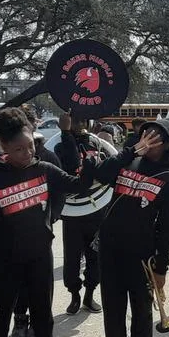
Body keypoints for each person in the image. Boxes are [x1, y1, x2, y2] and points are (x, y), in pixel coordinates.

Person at [0, 108, 93, 337]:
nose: (27, 152)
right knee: (1, 320)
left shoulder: (44, 169)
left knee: (43, 318)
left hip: (39, 257)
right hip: (5, 261)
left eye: (30, 146)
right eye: (19, 149)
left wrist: (82, 154)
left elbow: (78, 184)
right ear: (3, 148)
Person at [93, 120, 169, 337]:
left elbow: (167, 229)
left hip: (142, 258)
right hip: (109, 250)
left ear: (168, 145)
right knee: (113, 308)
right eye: (146, 134)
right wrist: (132, 151)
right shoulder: (125, 163)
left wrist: (162, 268)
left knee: (141, 310)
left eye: (157, 137)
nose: (150, 140)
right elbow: (101, 174)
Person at [54, 118, 117, 316]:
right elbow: (70, 167)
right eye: (74, 121)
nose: (79, 124)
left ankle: (90, 294)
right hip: (73, 212)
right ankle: (74, 294)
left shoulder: (98, 144)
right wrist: (66, 134)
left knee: (95, 256)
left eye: (82, 120)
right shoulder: (59, 146)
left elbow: (111, 170)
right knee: (72, 259)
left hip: (97, 210)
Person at [9, 128, 61, 337]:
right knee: (19, 283)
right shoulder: (4, 169)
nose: (27, 152)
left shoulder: (47, 161)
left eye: (31, 146)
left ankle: (40, 321)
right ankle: (20, 319)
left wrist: (52, 216)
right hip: (13, 241)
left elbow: (61, 190)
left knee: (42, 284)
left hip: (40, 237)